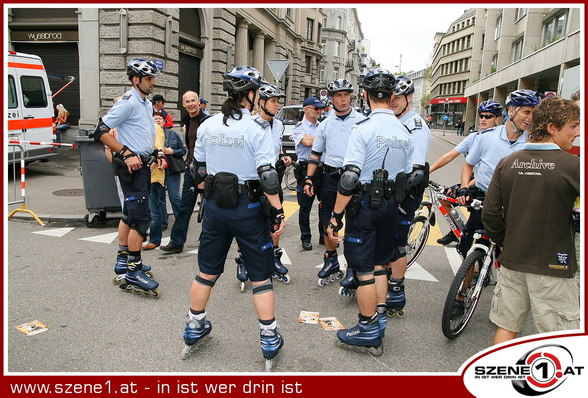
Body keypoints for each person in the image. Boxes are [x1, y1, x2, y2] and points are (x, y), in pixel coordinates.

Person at [180, 66, 286, 368]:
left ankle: (194, 326)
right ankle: (268, 336)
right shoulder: (256, 129)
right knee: (260, 275)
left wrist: (206, 190)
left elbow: (196, 168)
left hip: (214, 206)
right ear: (251, 95)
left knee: (207, 270)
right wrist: (277, 210)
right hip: (249, 208)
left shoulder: (208, 124)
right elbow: (267, 176)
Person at [327, 69, 412, 354]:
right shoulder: (405, 131)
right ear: (392, 97)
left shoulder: (362, 129)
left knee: (363, 271)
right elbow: (408, 175)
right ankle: (379, 320)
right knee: (380, 266)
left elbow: (350, 177)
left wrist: (336, 215)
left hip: (363, 205)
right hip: (389, 205)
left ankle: (367, 328)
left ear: (364, 95)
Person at [482, 97, 580, 345]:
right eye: (573, 126)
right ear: (552, 128)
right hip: (553, 266)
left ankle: (498, 375)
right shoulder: (574, 166)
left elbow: (491, 213)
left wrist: (503, 242)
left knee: (507, 326)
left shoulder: (508, 162)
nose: (577, 134)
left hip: (513, 260)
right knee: (558, 337)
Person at [92, 58, 163, 296]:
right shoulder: (128, 102)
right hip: (132, 167)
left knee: (129, 214)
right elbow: (99, 130)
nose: (153, 83)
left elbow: (141, 132)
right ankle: (133, 270)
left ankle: (123, 260)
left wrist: (154, 153)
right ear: (136, 80)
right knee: (141, 220)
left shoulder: (144, 102)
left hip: (142, 164)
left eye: (153, 78)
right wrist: (126, 152)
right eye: (149, 79)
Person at [455, 89, 541, 258]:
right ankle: (470, 279)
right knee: (468, 245)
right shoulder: (486, 137)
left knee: (507, 252)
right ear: (511, 111)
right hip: (484, 199)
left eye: (533, 113)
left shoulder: (532, 142)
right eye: (526, 112)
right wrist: (465, 187)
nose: (530, 117)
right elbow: (468, 165)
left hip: (513, 203)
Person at [303, 79, 365, 288]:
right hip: (330, 176)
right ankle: (331, 260)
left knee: (355, 223)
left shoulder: (363, 121)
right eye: (338, 95)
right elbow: (315, 153)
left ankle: (353, 267)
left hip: (355, 178)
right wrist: (309, 178)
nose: (343, 99)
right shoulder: (325, 124)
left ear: (351, 96)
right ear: (331, 99)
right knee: (327, 220)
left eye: (346, 95)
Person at [385, 75, 431, 317]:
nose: (393, 101)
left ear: (409, 97)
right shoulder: (393, 121)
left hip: (405, 192)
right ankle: (384, 282)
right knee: (386, 240)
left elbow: (415, 169)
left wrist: (399, 197)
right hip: (389, 189)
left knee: (397, 243)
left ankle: (396, 290)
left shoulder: (416, 126)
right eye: (390, 97)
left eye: (398, 97)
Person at [429, 99, 503, 245]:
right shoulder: (474, 137)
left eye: (488, 116)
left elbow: (490, 170)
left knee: (477, 224)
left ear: (497, 118)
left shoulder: (500, 139)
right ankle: (457, 229)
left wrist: (468, 185)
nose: (483, 119)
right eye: (481, 115)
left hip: (484, 184)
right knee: (444, 198)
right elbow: (450, 155)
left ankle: (467, 234)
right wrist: (428, 171)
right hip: (471, 182)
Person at [249, 83, 292, 283]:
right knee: (249, 221)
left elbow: (276, 147)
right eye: (273, 101)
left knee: (276, 218)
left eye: (278, 101)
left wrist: (283, 156)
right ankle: (244, 261)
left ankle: (274, 257)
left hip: (272, 177)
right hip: (253, 178)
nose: (277, 105)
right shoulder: (251, 124)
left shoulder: (279, 124)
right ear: (261, 102)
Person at [159, 91, 210, 254]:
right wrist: (188, 163)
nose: (191, 104)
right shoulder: (187, 119)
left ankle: (207, 242)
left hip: (206, 169)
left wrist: (208, 168)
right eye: (187, 101)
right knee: (184, 207)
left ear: (198, 102)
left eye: (193, 100)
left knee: (209, 208)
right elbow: (190, 145)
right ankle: (176, 242)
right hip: (191, 169)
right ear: (183, 104)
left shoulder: (207, 121)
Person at [291, 97, 326, 250]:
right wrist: (323, 139)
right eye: (315, 108)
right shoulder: (298, 127)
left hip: (322, 169)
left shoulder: (323, 126)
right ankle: (306, 237)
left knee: (324, 206)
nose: (319, 111)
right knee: (305, 207)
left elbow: (312, 141)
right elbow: (306, 143)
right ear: (306, 109)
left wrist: (314, 139)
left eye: (320, 109)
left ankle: (323, 236)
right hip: (305, 170)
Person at [143, 111, 168, 250]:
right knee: (149, 209)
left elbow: (158, 150)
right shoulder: (145, 126)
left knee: (154, 210)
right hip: (147, 175)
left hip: (154, 176)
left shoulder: (154, 128)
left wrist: (150, 168)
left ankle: (155, 239)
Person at [160, 114, 186, 230]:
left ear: (164, 121)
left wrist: (172, 151)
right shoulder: (150, 135)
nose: (157, 121)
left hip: (172, 170)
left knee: (175, 197)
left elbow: (183, 150)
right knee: (160, 198)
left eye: (159, 119)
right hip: (157, 171)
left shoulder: (173, 134)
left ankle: (180, 220)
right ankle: (162, 223)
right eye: (155, 119)